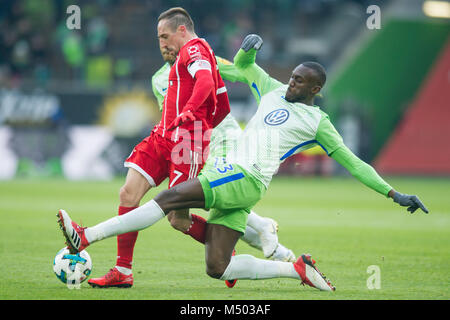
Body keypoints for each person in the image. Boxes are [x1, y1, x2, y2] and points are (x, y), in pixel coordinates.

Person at [58, 34, 428, 291]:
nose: (291, 84)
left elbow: (355, 163)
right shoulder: (271, 88)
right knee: (218, 267)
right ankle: (295, 268)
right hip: (247, 189)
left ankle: (85, 236)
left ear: (316, 90)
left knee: (170, 201)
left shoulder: (319, 124)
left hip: (241, 174)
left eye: (300, 82)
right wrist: (248, 49)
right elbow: (243, 67)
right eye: (292, 77)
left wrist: (393, 193)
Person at [88, 27, 296, 288]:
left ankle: (265, 234)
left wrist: (246, 56)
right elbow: (169, 115)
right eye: (159, 40)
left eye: (166, 38)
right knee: (184, 213)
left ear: (180, 33)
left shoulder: (203, 58)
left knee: (211, 201)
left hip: (221, 137)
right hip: (187, 143)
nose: (163, 45)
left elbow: (241, 72)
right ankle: (264, 239)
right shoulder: (158, 79)